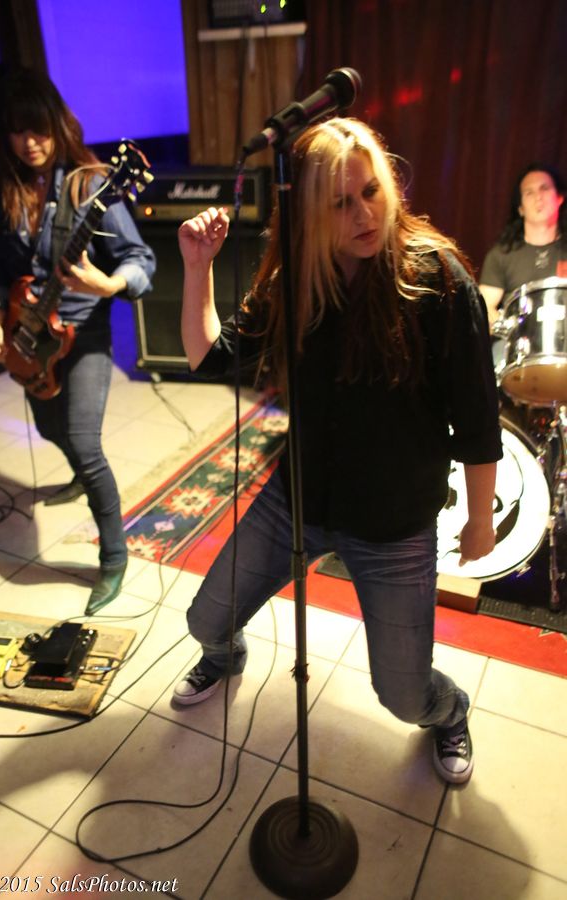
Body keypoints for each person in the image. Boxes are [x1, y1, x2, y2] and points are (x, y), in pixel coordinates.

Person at [171, 117, 502, 785]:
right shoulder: (298, 278)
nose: (364, 215)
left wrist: (480, 517)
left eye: (371, 192)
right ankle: (225, 658)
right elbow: (209, 356)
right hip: (298, 500)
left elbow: (476, 416)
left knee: (403, 696)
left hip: (393, 524)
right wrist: (197, 266)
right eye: (341, 203)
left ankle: (451, 710)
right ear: (311, 214)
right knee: (204, 619)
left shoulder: (437, 280)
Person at [0, 66, 155, 615]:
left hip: (85, 331)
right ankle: (80, 477)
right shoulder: (4, 191)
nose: (30, 143)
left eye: (39, 129)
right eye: (18, 132)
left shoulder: (91, 184)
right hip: (31, 332)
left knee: (82, 439)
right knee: (47, 426)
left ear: (57, 125)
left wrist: (109, 284)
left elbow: (140, 259)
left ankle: (113, 556)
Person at [479, 163, 566, 326]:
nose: (538, 197)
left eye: (544, 188)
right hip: (519, 340)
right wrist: (507, 329)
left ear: (560, 198)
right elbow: (485, 307)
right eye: (529, 192)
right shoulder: (501, 255)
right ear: (520, 208)